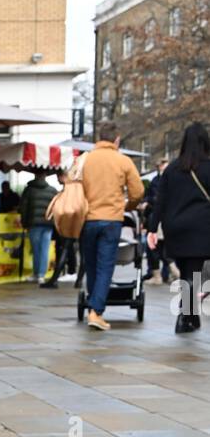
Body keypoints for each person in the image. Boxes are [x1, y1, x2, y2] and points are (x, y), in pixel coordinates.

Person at [78, 121, 145, 330]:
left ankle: (93, 305)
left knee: (90, 265)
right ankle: (96, 311)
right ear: (116, 139)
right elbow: (138, 191)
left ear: (99, 137)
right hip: (112, 219)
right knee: (105, 266)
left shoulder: (84, 159)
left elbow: (72, 185)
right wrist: (128, 205)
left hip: (87, 219)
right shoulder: (122, 160)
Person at [147, 123, 210, 333]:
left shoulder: (172, 168)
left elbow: (160, 201)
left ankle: (192, 318)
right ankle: (185, 316)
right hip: (200, 227)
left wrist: (152, 228)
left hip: (175, 227)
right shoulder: (208, 166)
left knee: (187, 272)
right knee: (192, 273)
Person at [40, 164, 80, 289]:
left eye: (58, 176)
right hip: (77, 221)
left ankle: (55, 279)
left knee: (65, 249)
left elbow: (66, 207)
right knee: (74, 250)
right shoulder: (76, 186)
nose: (57, 179)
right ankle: (76, 279)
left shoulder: (70, 188)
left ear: (64, 176)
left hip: (70, 223)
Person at [142, 159, 176, 285]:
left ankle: (164, 273)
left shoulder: (163, 180)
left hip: (163, 218)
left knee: (159, 248)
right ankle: (164, 273)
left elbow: (158, 200)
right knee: (159, 248)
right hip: (162, 218)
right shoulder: (156, 180)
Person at [19, 168, 57, 282]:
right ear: (45, 176)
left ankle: (36, 273)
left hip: (33, 224)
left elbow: (23, 208)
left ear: (35, 175)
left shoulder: (29, 190)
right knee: (44, 249)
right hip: (48, 224)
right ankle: (41, 275)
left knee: (36, 249)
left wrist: (24, 223)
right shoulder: (53, 190)